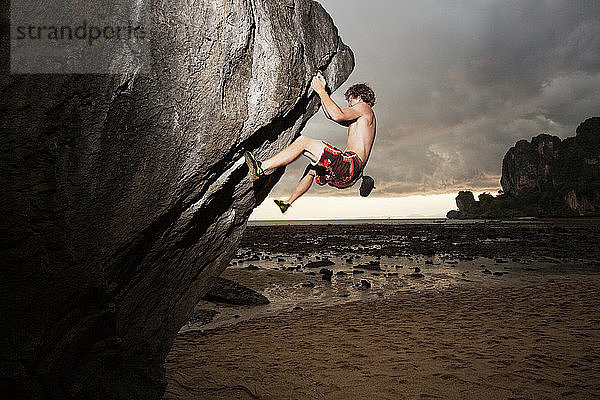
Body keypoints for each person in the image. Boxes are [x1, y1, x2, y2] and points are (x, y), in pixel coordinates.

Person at [245, 73, 377, 213]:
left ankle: (260, 168)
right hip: (348, 177)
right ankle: (287, 203)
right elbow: (331, 115)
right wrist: (322, 92)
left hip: (349, 164)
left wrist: (320, 90)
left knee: (303, 142)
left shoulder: (364, 108)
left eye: (351, 100)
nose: (349, 105)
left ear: (360, 97)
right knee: (312, 169)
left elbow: (337, 115)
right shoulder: (361, 119)